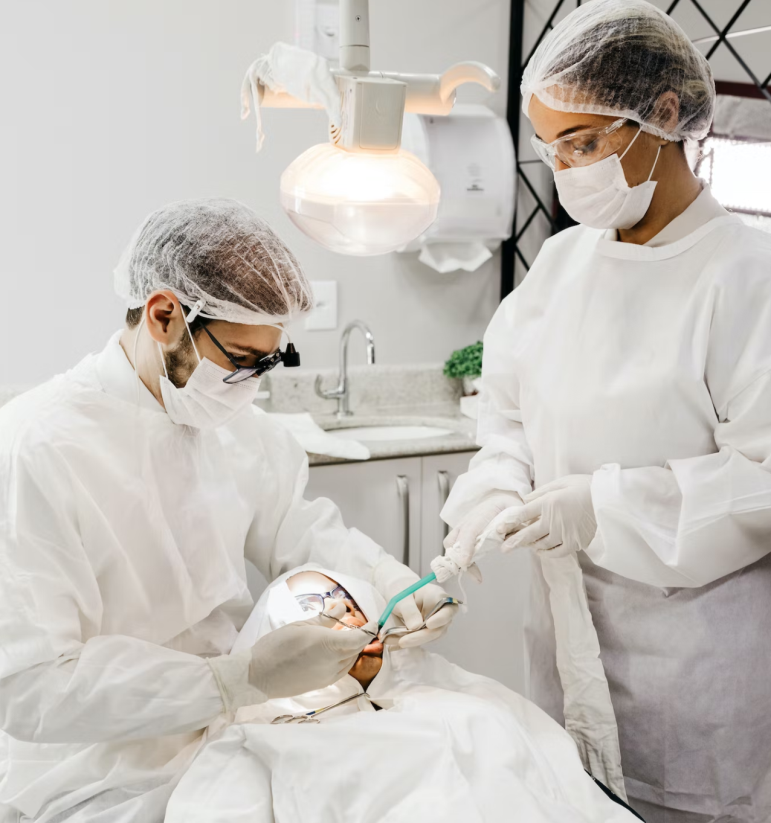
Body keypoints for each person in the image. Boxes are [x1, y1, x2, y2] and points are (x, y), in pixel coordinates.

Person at [0, 198, 456, 823]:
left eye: (269, 363)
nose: (252, 386)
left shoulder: (236, 427)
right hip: (95, 758)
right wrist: (230, 680)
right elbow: (32, 688)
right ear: (164, 315)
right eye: (241, 361)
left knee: (448, 757)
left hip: (235, 722)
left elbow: (298, 530)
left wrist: (390, 581)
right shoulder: (37, 447)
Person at [441, 2, 771, 821]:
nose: (565, 169)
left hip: (691, 672)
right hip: (565, 641)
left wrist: (599, 505)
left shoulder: (745, 278)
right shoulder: (560, 263)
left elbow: (762, 478)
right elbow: (507, 414)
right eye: (552, 147)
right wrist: (492, 488)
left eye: (583, 142)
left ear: (663, 115)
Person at [164, 564, 643, 823]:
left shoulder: (453, 698)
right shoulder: (256, 744)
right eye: (316, 609)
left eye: (350, 603)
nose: (346, 616)